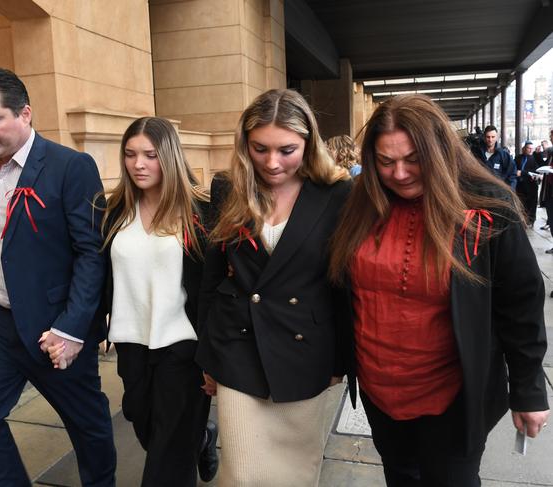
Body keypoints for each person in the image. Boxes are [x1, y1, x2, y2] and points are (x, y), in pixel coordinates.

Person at [329, 94, 549, 487]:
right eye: (385, 161)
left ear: (439, 151)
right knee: (399, 478)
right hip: (381, 396)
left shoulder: (487, 204)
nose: (399, 173)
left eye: (413, 159)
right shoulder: (357, 203)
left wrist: (528, 390)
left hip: (454, 399)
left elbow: (522, 303)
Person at [0, 68, 116, 486]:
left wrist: (72, 328)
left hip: (53, 326)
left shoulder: (70, 166)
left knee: (88, 426)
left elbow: (90, 253)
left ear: (25, 114)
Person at [196, 89, 351, 487]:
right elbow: (212, 279)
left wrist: (340, 360)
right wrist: (208, 356)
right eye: (260, 148)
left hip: (304, 349)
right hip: (237, 345)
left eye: (287, 150)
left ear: (309, 143)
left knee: (295, 475)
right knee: (242, 474)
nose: (271, 162)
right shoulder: (227, 188)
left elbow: (343, 286)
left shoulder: (338, 194)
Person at [92, 117, 217, 486]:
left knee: (168, 454)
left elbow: (212, 286)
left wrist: (214, 355)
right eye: (130, 155)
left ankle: (191, 440)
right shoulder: (112, 210)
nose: (138, 164)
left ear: (170, 157)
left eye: (150, 155)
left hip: (184, 345)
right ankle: (203, 437)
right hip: (132, 342)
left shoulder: (201, 211)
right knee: (142, 421)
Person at [471, 125, 517, 190]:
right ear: (484, 137)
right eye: (488, 137)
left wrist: (510, 191)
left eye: (493, 137)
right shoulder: (477, 153)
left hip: (498, 193)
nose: (490, 140)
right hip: (481, 192)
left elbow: (512, 174)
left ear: (496, 137)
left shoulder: (503, 155)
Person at [515, 141, 539, 226]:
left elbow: (536, 171)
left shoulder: (535, 158)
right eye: (529, 148)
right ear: (524, 148)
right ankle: (523, 219)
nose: (530, 150)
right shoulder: (518, 157)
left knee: (531, 204)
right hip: (520, 185)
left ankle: (531, 220)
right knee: (522, 203)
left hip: (531, 185)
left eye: (532, 148)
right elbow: (514, 168)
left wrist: (523, 172)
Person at [535, 139, 552, 231]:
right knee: (549, 210)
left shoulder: (550, 150)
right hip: (549, 187)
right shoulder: (550, 154)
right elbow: (543, 164)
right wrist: (537, 154)